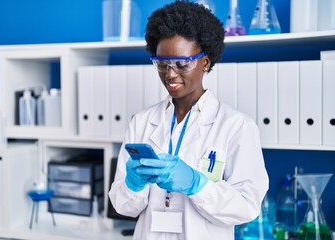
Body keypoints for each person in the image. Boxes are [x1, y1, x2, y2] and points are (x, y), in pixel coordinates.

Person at [108, 1, 269, 239]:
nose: (170, 74)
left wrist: (197, 184)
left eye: (182, 64)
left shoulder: (236, 127)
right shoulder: (141, 122)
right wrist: (132, 184)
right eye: (162, 64)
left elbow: (246, 208)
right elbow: (124, 207)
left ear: (205, 62)